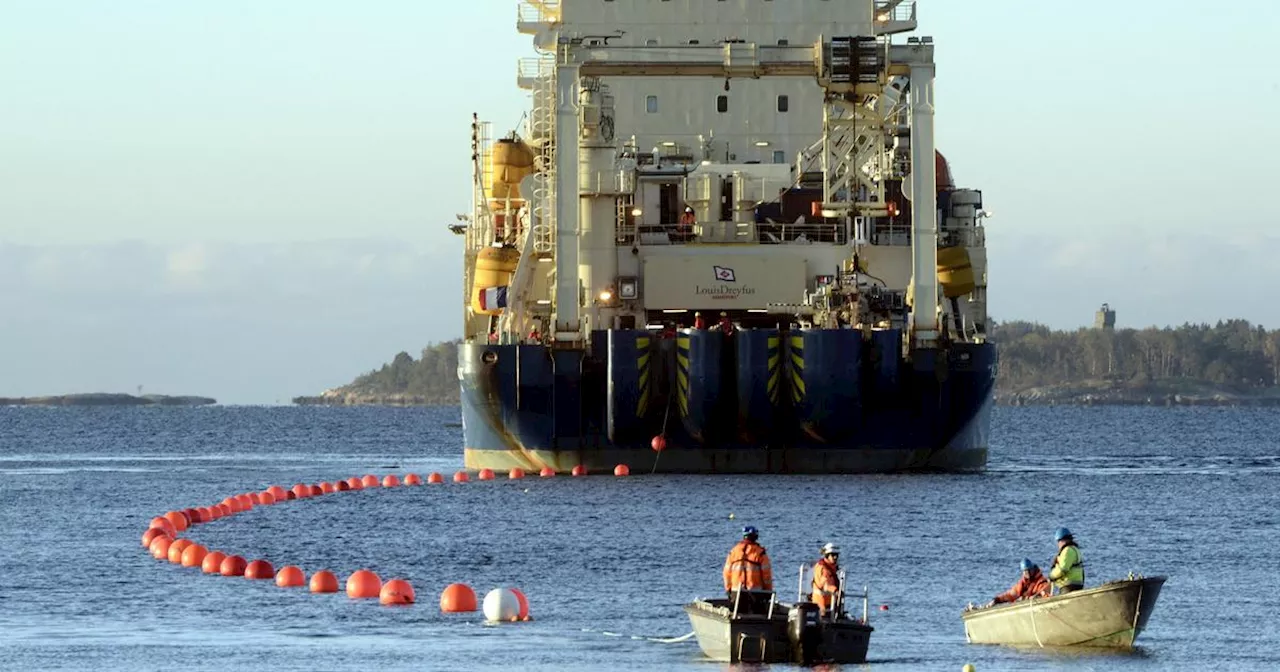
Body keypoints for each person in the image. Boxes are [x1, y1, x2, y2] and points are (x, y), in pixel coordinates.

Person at [723, 525, 773, 612]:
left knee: (737, 614)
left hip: (736, 592)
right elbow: (766, 576)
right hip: (756, 593)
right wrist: (768, 591)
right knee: (758, 616)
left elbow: (726, 573)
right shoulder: (760, 553)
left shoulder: (734, 551)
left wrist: (728, 589)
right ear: (755, 537)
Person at [1048, 527, 1085, 594]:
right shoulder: (1075, 549)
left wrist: (1052, 576)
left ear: (1062, 540)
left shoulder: (1067, 551)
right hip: (1078, 583)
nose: (1058, 544)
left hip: (1068, 584)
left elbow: (1063, 569)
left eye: (1058, 541)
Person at [810, 542, 842, 616]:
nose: (835, 557)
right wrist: (836, 591)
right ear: (827, 555)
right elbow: (825, 585)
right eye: (833, 555)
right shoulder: (824, 569)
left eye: (837, 555)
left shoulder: (829, 568)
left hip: (829, 604)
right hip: (822, 606)